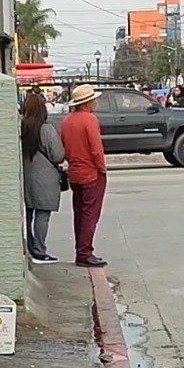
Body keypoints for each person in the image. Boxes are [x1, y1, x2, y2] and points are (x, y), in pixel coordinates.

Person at [57, 84, 107, 267]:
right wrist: (102, 169)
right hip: (90, 172)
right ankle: (85, 252)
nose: (95, 102)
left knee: (79, 213)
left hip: (74, 172)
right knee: (90, 214)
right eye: (93, 99)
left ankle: (81, 250)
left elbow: (64, 148)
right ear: (87, 102)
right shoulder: (90, 120)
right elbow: (96, 149)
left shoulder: (66, 121)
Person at [19, 90, 65, 266]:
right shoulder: (46, 129)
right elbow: (57, 155)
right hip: (44, 177)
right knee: (42, 215)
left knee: (28, 214)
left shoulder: (20, 127)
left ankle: (30, 247)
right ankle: (39, 250)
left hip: (25, 176)